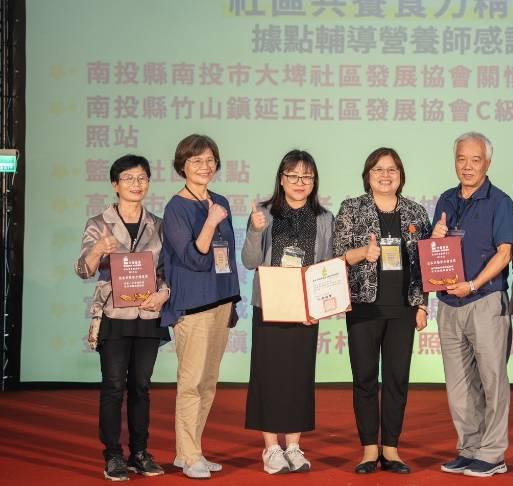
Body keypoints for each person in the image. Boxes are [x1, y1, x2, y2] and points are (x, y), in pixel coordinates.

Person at [334, 147, 432, 475]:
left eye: (392, 169)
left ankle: (390, 448)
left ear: (400, 175)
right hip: (363, 306)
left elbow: (425, 266)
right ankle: (368, 449)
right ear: (368, 175)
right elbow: (338, 253)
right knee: (363, 379)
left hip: (402, 309)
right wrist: (364, 252)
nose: (385, 175)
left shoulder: (417, 213)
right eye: (378, 169)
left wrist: (421, 304)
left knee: (396, 380)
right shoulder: (351, 209)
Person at [75, 154, 171, 481]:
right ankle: (113, 454)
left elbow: (165, 272)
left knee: (141, 386)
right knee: (114, 385)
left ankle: (140, 452)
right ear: (115, 185)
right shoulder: (98, 223)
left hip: (147, 313)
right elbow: (83, 270)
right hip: (114, 314)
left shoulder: (157, 224)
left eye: (142, 178)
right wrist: (98, 249)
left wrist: (164, 293)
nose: (136, 184)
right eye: (128, 179)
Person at [241, 150, 334, 474]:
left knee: (298, 377)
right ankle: (271, 449)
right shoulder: (264, 213)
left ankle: (293, 445)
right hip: (269, 305)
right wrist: (254, 230)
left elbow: (326, 266)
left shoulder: (324, 218)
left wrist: (322, 305)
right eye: (293, 176)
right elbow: (250, 261)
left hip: (304, 308)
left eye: (306, 177)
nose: (299, 183)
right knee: (268, 376)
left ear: (313, 182)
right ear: (281, 179)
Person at [433, 132, 513, 478]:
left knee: (492, 378)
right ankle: (469, 448)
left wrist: (473, 284)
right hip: (448, 304)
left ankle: (493, 453)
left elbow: (505, 253)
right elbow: (435, 254)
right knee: (459, 382)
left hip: (484, 300)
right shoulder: (446, 199)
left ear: (488, 163)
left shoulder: (500, 201)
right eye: (461, 159)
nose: (467, 167)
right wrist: (434, 240)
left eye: (475, 160)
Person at [161, 134, 241, 480]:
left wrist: (233, 299)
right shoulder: (176, 207)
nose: (204, 166)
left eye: (209, 159)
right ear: (182, 166)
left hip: (220, 300)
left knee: (208, 382)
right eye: (196, 161)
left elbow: (229, 257)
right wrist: (209, 222)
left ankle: (189, 452)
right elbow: (193, 259)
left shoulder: (220, 199)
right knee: (191, 382)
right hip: (192, 305)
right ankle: (190, 453)